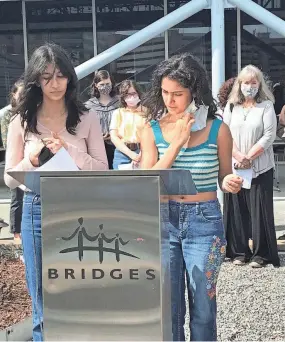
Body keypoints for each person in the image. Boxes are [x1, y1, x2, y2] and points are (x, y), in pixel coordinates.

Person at [4, 43, 108, 341]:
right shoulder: (21, 121)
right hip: (37, 208)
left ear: (70, 79)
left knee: (81, 292)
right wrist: (32, 158)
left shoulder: (86, 117)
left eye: (61, 76)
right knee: (42, 300)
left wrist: (69, 149)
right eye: (47, 77)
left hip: (81, 209)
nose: (54, 84)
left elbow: (102, 168)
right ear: (35, 80)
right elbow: (10, 180)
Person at [140, 53, 242, 342]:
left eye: (178, 94)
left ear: (194, 92)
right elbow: (147, 180)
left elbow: (224, 175)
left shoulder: (218, 129)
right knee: (168, 306)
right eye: (164, 92)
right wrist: (175, 145)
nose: (170, 100)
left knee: (204, 305)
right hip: (164, 221)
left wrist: (229, 182)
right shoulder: (152, 129)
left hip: (204, 220)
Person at [223, 64, 280, 268]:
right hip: (236, 166)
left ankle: (261, 254)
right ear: (239, 84)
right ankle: (239, 252)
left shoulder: (266, 106)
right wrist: (238, 155)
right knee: (237, 209)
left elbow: (269, 135)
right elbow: (225, 133)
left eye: (253, 82)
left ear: (259, 84)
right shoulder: (231, 107)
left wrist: (249, 157)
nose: (249, 86)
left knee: (260, 210)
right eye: (246, 82)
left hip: (260, 166)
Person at [1, 80, 24, 243]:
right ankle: (16, 232)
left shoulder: (31, 111)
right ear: (14, 95)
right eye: (20, 93)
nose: (23, 97)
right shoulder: (7, 114)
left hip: (32, 159)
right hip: (15, 159)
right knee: (17, 195)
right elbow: (6, 141)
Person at [85, 70, 119, 169]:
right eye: (102, 84)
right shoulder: (89, 105)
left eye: (107, 84)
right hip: (97, 148)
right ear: (96, 85)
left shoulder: (120, 102)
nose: (105, 87)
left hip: (118, 147)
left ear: (112, 83)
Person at [110, 80, 145, 169]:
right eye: (127, 95)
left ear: (138, 93)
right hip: (121, 153)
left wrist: (139, 155)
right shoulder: (118, 113)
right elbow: (114, 137)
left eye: (133, 94)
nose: (131, 97)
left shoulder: (147, 113)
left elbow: (151, 136)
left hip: (143, 152)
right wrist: (132, 155)